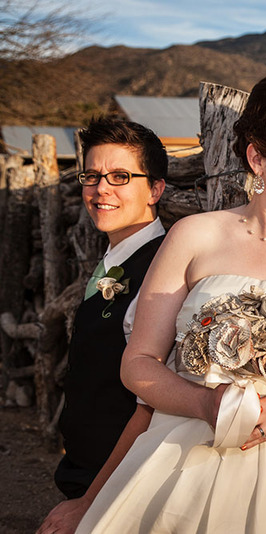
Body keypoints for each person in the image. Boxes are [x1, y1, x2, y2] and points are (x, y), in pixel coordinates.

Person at [73, 74, 266, 533]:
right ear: (258, 158)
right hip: (183, 453)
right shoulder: (193, 235)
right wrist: (203, 404)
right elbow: (138, 363)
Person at [37, 118, 167, 533]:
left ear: (156, 189)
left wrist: (94, 500)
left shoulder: (161, 271)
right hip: (87, 471)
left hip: (125, 487)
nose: (100, 189)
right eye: (91, 176)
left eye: (120, 176)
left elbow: (155, 402)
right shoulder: (116, 257)